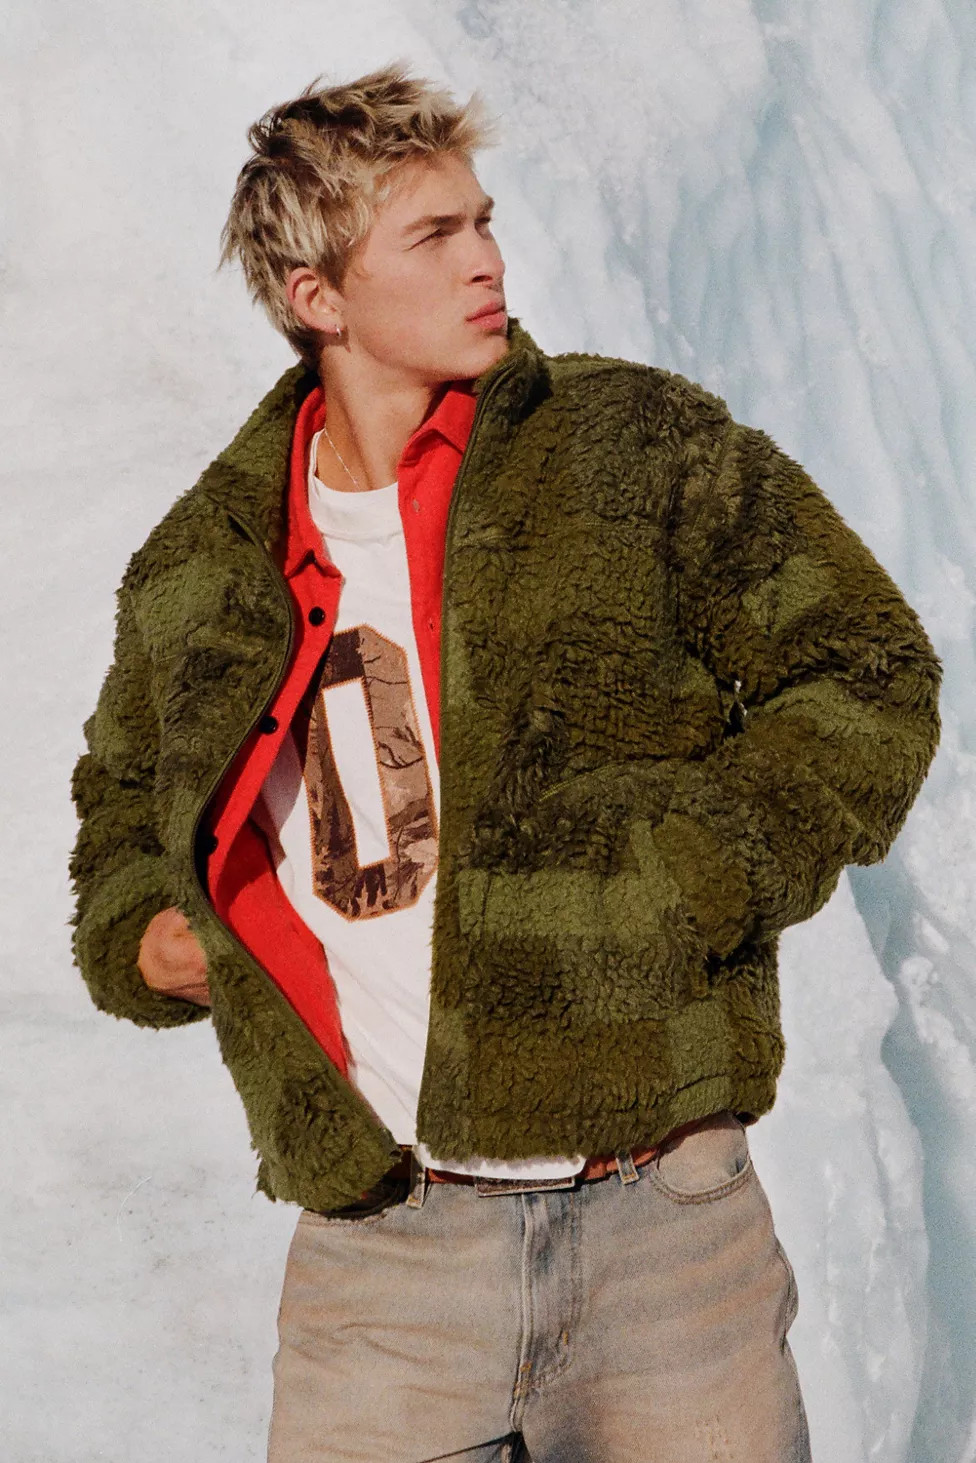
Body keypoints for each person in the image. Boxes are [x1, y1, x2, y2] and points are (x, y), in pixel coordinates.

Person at [69, 61, 942, 1463]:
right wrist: (139, 934)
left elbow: (867, 670)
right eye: (434, 235)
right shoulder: (202, 563)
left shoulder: (635, 448)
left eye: (485, 221)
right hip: (381, 1257)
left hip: (668, 1232)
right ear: (317, 297)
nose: (487, 259)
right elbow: (120, 796)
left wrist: (696, 871)